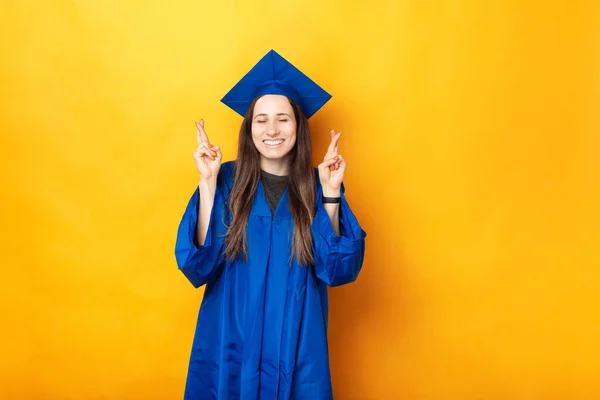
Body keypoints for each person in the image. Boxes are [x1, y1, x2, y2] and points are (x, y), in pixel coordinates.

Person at [174, 50, 367, 400]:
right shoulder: (225, 180)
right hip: (230, 346)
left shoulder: (317, 185)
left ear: (299, 126)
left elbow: (338, 270)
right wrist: (206, 184)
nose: (272, 129)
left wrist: (332, 195)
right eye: (261, 120)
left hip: (296, 349)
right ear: (249, 129)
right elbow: (195, 266)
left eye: (283, 119)